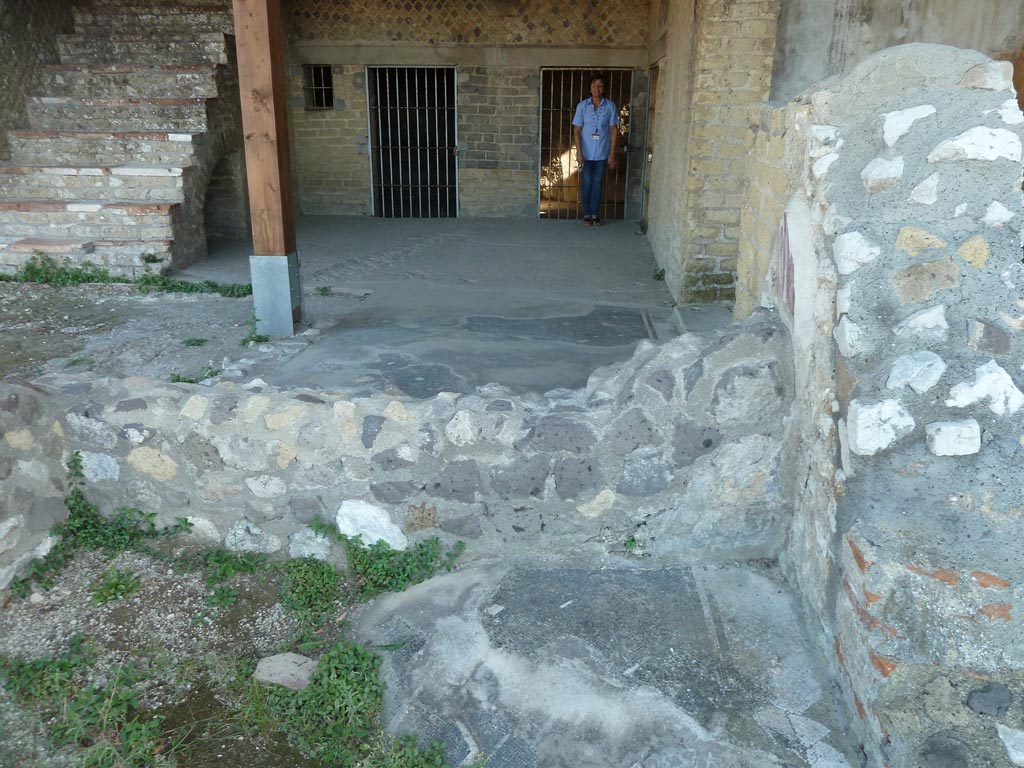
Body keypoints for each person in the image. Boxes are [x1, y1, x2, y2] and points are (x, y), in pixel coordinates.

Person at [572, 74, 619, 227]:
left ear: (604, 88)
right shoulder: (582, 106)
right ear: (589, 88)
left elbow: (613, 131)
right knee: (586, 182)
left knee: (598, 183)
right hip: (585, 153)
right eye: (593, 85)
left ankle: (595, 214)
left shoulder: (610, 106)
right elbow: (577, 131)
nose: (596, 88)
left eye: (599, 85)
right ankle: (586, 214)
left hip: (602, 153)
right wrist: (579, 153)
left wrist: (612, 154)